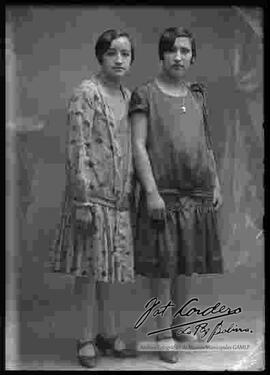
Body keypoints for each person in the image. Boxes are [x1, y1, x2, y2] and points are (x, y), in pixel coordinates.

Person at [129, 27, 223, 363]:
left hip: (196, 194)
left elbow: (206, 143)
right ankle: (163, 333)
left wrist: (215, 183)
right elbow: (138, 146)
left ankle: (181, 326)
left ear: (192, 56)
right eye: (172, 51)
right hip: (163, 195)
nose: (178, 56)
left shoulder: (197, 96)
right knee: (163, 268)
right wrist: (151, 191)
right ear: (162, 56)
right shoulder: (145, 94)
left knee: (185, 266)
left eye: (184, 51)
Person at [50, 29, 137, 368]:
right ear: (100, 56)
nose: (119, 59)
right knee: (88, 273)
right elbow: (77, 146)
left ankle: (108, 333)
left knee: (110, 274)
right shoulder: (86, 93)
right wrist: (81, 201)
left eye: (126, 54)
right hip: (91, 200)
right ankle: (85, 338)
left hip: (118, 202)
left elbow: (130, 147)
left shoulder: (129, 97)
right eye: (112, 53)